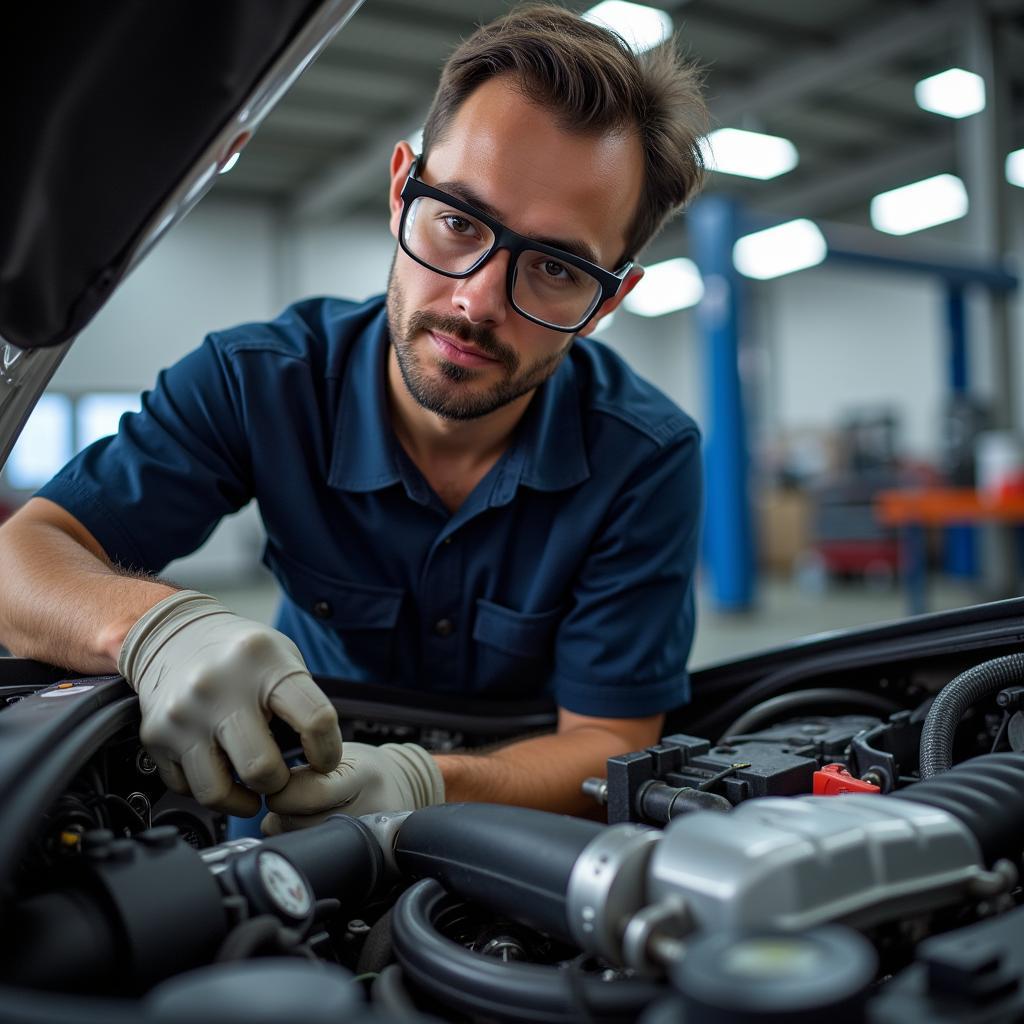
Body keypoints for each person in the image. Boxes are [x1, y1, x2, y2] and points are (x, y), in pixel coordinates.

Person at [0, 3, 708, 826]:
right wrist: (154, 628)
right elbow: (22, 558)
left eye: (554, 267)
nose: (476, 300)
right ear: (402, 185)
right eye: (457, 221)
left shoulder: (647, 456)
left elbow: (608, 742)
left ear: (608, 300)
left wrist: (424, 785)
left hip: (509, 822)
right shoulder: (256, 382)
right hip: (277, 800)